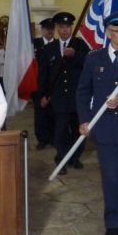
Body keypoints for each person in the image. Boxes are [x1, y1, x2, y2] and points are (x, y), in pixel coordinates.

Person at [76, 11, 118, 235]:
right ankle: (112, 221)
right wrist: (84, 120)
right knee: (111, 177)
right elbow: (83, 91)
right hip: (104, 127)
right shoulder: (94, 58)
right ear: (109, 33)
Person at [38, 12, 87, 173]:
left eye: (67, 27)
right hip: (58, 98)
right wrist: (43, 95)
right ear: (57, 29)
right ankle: (61, 160)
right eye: (61, 27)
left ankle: (75, 157)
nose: (64, 30)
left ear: (72, 28)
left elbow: (88, 65)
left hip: (77, 97)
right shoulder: (48, 49)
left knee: (77, 130)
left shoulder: (80, 45)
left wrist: (75, 56)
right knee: (59, 131)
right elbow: (43, 74)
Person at [32, 18, 56, 149]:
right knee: (40, 114)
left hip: (53, 85)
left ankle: (52, 138)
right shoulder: (34, 44)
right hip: (37, 85)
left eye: (51, 28)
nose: (49, 31)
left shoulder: (58, 44)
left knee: (53, 113)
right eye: (47, 28)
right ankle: (42, 139)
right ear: (42, 30)